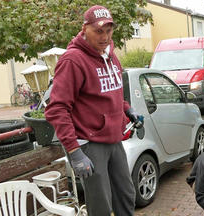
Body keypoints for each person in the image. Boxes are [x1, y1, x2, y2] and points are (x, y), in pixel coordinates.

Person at [45, 5, 141, 216]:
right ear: (84, 29)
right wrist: (74, 151)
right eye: (98, 31)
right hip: (89, 144)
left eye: (108, 30)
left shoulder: (111, 57)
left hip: (114, 140)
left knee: (126, 196)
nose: (104, 36)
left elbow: (112, 94)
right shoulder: (73, 61)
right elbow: (56, 109)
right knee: (101, 206)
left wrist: (127, 109)